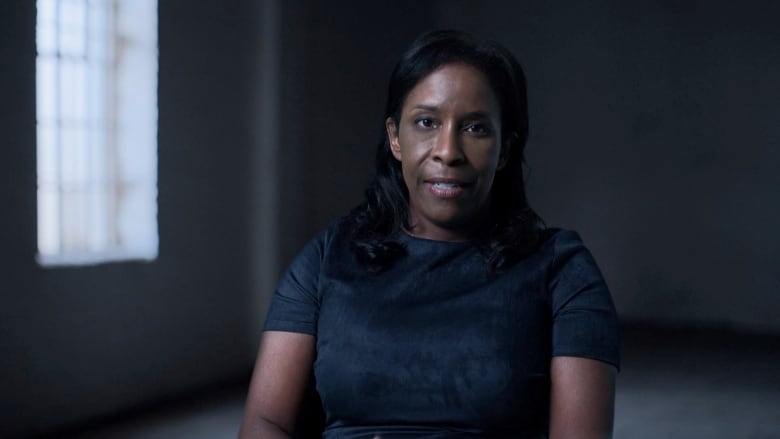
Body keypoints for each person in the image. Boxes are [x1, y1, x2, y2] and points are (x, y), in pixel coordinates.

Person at [240, 29, 620, 439]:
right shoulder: (328, 258)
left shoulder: (562, 271)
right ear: (394, 138)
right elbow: (265, 422)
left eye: (475, 128)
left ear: (505, 149)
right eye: (426, 122)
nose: (447, 151)